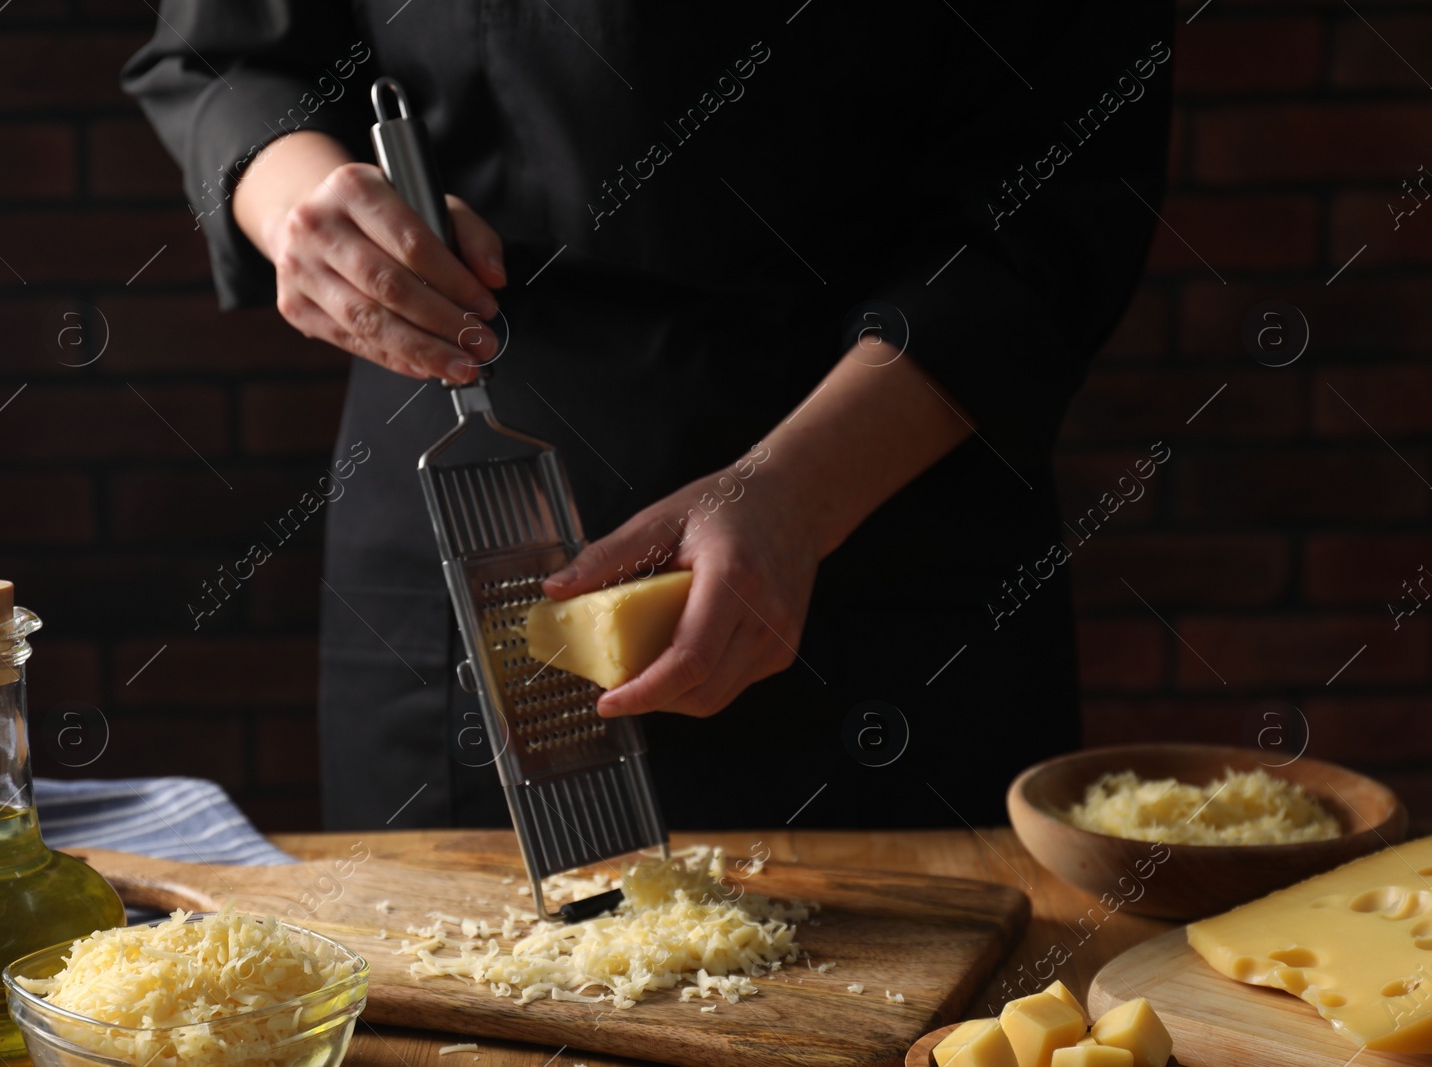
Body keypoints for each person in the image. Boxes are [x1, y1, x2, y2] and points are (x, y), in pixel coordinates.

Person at [123, 1, 1173, 832]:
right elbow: (222, 59)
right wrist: (298, 208)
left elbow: (1057, 191)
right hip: (457, 524)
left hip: (885, 525)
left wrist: (795, 498)